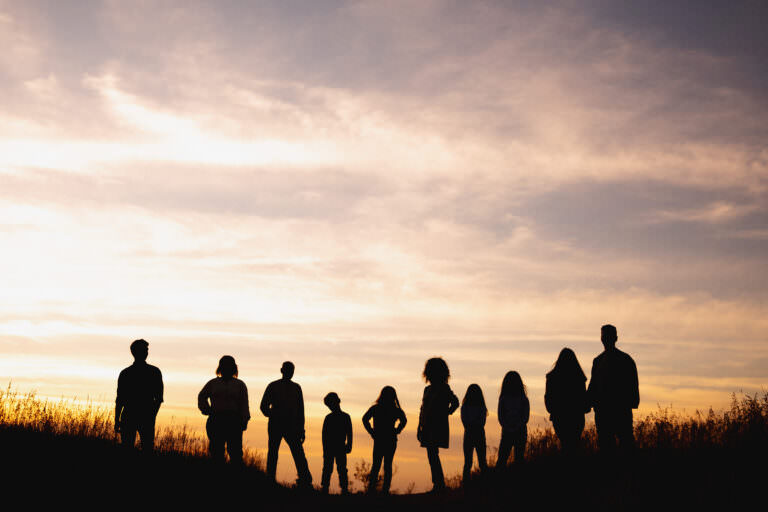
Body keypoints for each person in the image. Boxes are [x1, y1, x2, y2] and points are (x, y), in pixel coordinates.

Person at [587, 324, 640, 455]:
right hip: (608, 411)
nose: (605, 339)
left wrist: (588, 402)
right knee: (611, 445)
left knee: (622, 445)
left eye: (607, 336)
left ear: (615, 338)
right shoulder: (600, 361)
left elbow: (632, 384)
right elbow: (593, 386)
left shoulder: (622, 360)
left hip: (618, 410)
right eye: (604, 336)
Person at [260, 361, 312, 487]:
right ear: (282, 371)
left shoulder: (296, 388)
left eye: (291, 370)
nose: (290, 372)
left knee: (297, 453)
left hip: (292, 426)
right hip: (276, 425)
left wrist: (301, 429)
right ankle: (270, 480)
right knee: (274, 453)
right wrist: (273, 415)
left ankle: (305, 481)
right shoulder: (273, 386)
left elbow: (300, 411)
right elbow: (263, 406)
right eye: (288, 370)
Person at [198, 355, 250, 465]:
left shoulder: (240, 385)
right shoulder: (213, 383)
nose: (227, 368)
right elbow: (202, 396)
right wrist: (206, 409)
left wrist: (244, 420)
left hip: (234, 421)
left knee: (235, 453)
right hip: (216, 419)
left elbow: (244, 404)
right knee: (216, 451)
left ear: (233, 368)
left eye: (229, 366)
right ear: (220, 367)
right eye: (224, 365)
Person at [417, 357, 459, 492]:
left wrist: (446, 413)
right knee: (432, 454)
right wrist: (419, 426)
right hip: (426, 426)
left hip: (437, 425)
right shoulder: (427, 390)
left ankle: (439, 484)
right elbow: (422, 408)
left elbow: (455, 402)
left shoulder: (444, 388)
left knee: (433, 454)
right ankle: (438, 483)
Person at [115, 339, 163, 452]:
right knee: (135, 448)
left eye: (146, 350)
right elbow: (120, 399)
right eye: (144, 350)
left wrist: (152, 415)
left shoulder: (126, 373)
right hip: (133, 416)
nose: (146, 352)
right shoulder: (152, 372)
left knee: (143, 448)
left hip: (139, 416)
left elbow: (159, 398)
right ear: (135, 352)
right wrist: (117, 419)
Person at [362, 386, 407, 494]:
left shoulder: (376, 408)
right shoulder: (394, 409)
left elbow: (365, 419)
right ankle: (383, 490)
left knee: (377, 465)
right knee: (387, 465)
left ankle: (373, 490)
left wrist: (371, 431)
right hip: (388, 439)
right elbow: (404, 420)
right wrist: (397, 430)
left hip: (381, 439)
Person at [545, 348, 590, 455]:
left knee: (565, 444)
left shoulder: (552, 377)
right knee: (574, 445)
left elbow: (548, 398)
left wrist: (553, 410)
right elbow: (583, 398)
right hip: (576, 416)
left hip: (559, 417)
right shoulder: (579, 377)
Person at [321, 392, 353, 494]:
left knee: (341, 469)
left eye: (330, 404)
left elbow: (349, 433)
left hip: (339, 447)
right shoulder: (330, 418)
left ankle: (343, 489)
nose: (330, 407)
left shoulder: (344, 417)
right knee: (329, 468)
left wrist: (349, 445)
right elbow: (324, 436)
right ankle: (326, 488)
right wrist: (325, 449)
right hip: (332, 447)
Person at [496, 371, 529, 468]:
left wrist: (514, 426)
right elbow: (501, 417)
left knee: (514, 459)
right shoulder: (504, 399)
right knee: (504, 460)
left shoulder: (523, 399)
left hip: (517, 431)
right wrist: (509, 426)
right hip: (510, 432)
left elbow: (525, 417)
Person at [460, 383, 488, 483]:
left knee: (469, 462)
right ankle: (484, 483)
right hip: (477, 434)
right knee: (480, 462)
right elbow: (481, 422)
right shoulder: (481, 407)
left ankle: (467, 484)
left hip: (470, 435)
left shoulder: (465, 407)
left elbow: (465, 422)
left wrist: (471, 426)